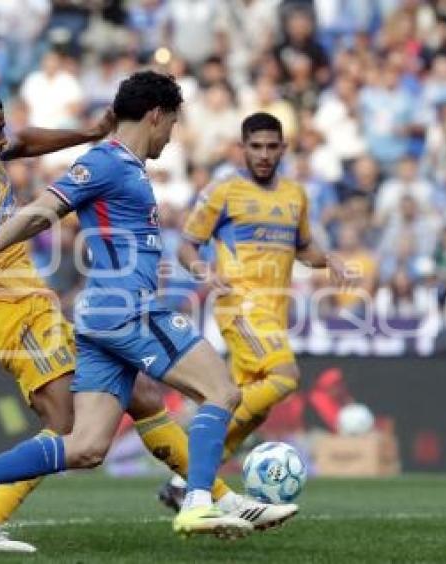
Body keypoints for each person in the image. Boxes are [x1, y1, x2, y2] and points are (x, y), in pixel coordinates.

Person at [0, 72, 274, 541]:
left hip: (100, 317)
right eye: (172, 124)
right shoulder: (107, 161)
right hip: (129, 309)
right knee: (222, 391)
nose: (171, 135)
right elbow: (42, 210)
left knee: (85, 446)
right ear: (156, 115)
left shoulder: (125, 166)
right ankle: (198, 501)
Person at [156, 112, 347, 508]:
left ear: (283, 148)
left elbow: (303, 248)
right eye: (255, 147)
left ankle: (183, 482)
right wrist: (203, 271)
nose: (263, 154)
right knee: (285, 376)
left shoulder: (295, 195)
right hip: (239, 305)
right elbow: (187, 244)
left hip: (274, 312)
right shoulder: (223, 191)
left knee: (254, 413)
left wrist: (328, 259)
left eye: (270, 147)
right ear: (242, 148)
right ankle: (202, 433)